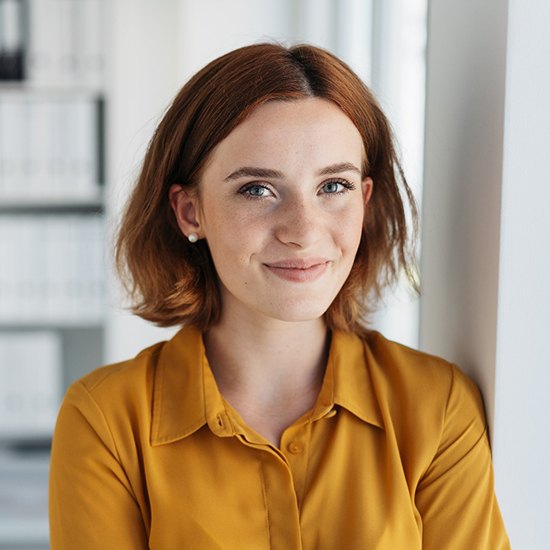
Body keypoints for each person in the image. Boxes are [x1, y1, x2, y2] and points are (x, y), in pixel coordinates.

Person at [49, 43, 509, 549]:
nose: (303, 231)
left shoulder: (436, 406)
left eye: (334, 186)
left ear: (365, 200)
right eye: (257, 190)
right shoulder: (106, 420)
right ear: (190, 212)